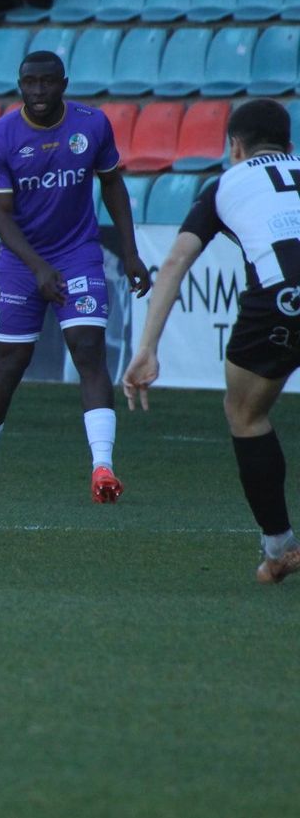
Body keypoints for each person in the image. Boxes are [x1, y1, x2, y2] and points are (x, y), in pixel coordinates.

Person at [0, 51, 151, 502]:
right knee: (9, 366)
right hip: (21, 262)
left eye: (48, 82)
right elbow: (0, 216)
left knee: (89, 351)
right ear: (19, 85)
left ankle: (103, 468)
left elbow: (112, 183)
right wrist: (38, 267)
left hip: (78, 254)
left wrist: (130, 251)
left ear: (64, 84)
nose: (39, 91)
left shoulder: (92, 125)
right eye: (30, 83)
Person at [124, 99, 300, 583]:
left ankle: (279, 545)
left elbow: (177, 261)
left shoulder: (225, 183)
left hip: (281, 300)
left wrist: (148, 347)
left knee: (246, 414)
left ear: (234, 147)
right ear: (290, 146)